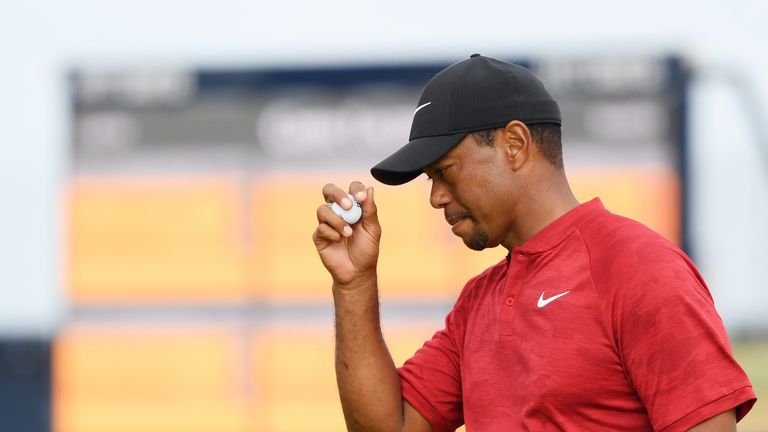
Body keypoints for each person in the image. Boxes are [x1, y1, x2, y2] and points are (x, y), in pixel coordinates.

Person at [312, 54, 756, 431]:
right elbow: (390, 426)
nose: (435, 197)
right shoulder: (478, 302)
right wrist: (354, 286)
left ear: (515, 144)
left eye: (445, 171)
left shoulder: (639, 268)